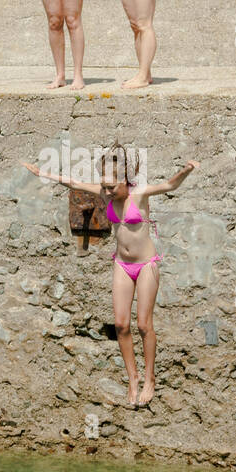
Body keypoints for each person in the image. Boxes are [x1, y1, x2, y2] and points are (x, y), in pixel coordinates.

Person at [23, 146, 198, 407]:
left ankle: (150, 378)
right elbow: (72, 182)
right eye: (104, 187)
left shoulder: (140, 193)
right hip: (122, 264)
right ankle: (133, 377)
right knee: (120, 325)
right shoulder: (105, 191)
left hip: (146, 264)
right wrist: (43, 173)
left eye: (111, 187)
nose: (106, 192)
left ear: (125, 181)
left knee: (143, 325)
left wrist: (185, 170)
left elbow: (170, 185)